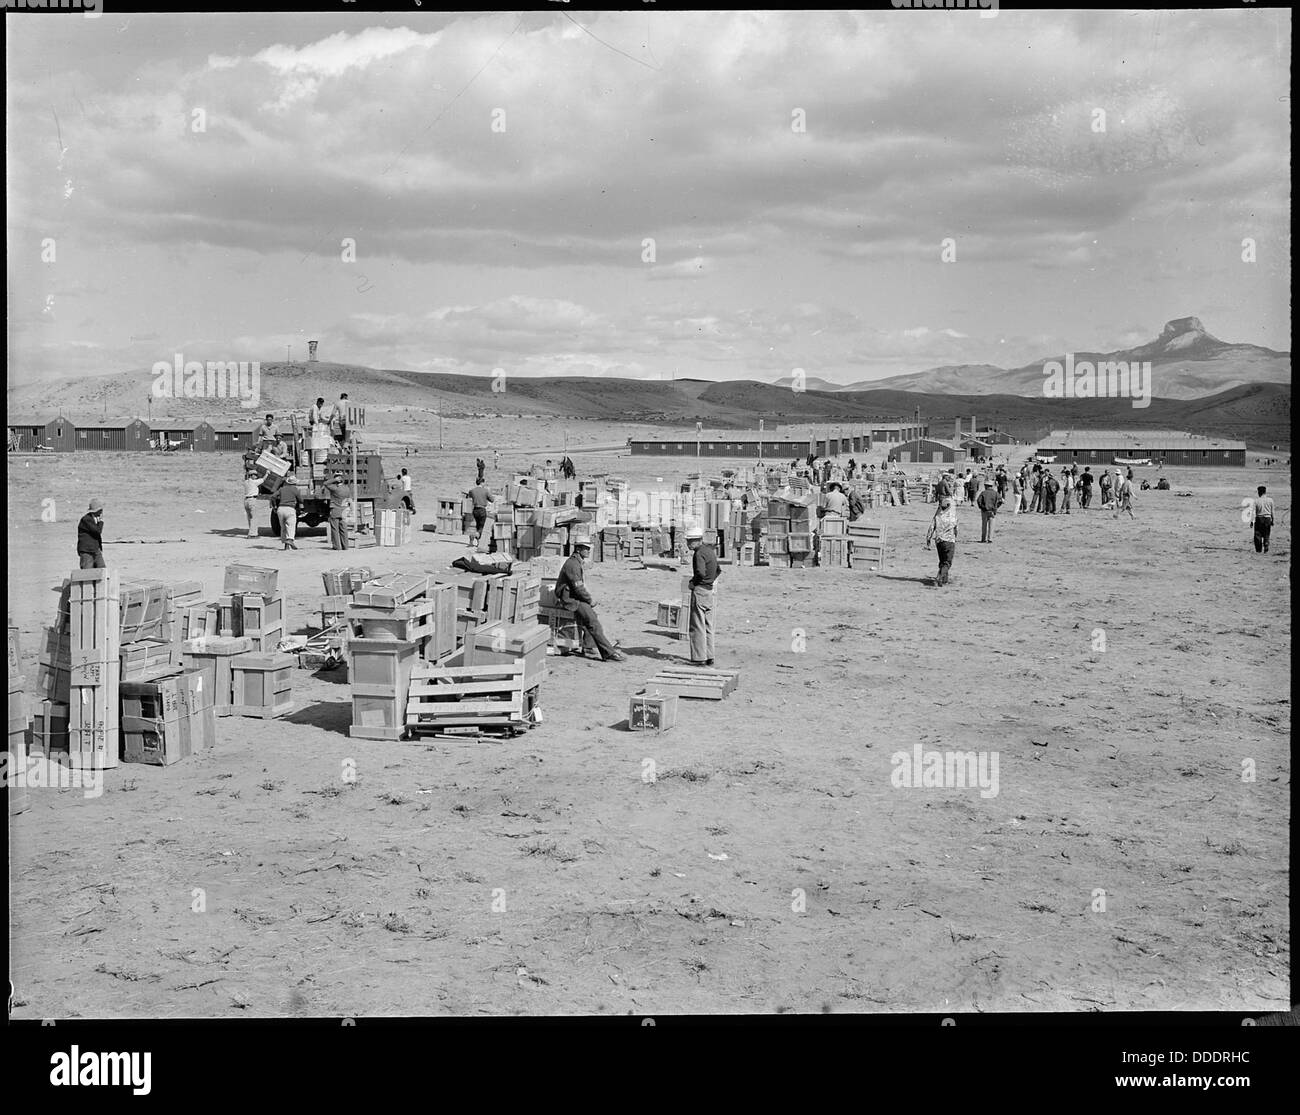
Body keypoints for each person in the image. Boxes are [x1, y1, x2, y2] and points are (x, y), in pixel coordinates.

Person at [556, 539, 625, 661]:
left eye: (588, 548)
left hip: (574, 597)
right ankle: (609, 653)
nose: (588, 551)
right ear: (578, 549)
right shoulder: (573, 565)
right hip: (570, 600)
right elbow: (578, 588)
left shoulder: (576, 562)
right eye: (586, 548)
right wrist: (590, 600)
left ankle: (589, 647)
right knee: (593, 623)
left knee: (591, 617)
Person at [685, 525, 720, 666]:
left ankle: (699, 658)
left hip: (700, 591)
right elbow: (718, 570)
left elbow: (700, 572)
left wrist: (694, 583)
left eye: (690, 541)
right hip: (709, 591)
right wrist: (709, 582)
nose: (688, 544)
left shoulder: (699, 553)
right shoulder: (710, 551)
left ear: (697, 540)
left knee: (697, 626)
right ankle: (710, 656)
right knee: (708, 626)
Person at [925, 496, 958, 587]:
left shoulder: (938, 516)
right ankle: (939, 577)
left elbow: (931, 528)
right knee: (947, 562)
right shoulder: (953, 517)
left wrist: (928, 539)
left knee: (942, 560)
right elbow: (956, 529)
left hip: (939, 541)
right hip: (949, 541)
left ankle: (944, 579)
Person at [322, 470, 350, 550]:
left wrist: (334, 479)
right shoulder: (346, 488)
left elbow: (325, 483)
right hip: (344, 510)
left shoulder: (335, 488)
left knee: (335, 529)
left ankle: (337, 546)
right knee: (343, 529)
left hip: (335, 509)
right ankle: (345, 546)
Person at [275, 471, 302, 550]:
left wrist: (274, 506)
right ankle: (290, 540)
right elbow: (300, 499)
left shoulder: (281, 489)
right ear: (294, 483)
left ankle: (286, 546)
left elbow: (273, 496)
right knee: (291, 526)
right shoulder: (295, 489)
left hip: (280, 509)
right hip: (289, 509)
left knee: (283, 527)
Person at [77, 498, 106, 569]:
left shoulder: (94, 519)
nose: (102, 512)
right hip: (87, 551)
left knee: (102, 569)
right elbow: (97, 531)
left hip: (95, 549)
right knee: (88, 573)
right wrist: (101, 522)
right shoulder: (86, 519)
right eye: (100, 510)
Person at [467, 477, 495, 544]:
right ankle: (475, 535)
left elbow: (469, 496)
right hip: (482, 509)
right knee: (482, 526)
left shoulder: (472, 490)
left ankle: (478, 541)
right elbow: (492, 500)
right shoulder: (485, 491)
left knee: (478, 525)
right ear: (482, 483)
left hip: (475, 510)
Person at [1250, 485, 1275, 553]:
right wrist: (1273, 520)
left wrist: (1252, 521)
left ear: (1259, 492)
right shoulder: (1270, 500)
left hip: (1259, 518)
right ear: (1265, 492)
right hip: (1267, 518)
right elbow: (1272, 511)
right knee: (1266, 534)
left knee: (1258, 535)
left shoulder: (1256, 501)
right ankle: (1266, 546)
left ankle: (1259, 550)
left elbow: (1253, 512)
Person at [243, 469, 262, 539]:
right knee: (254, 518)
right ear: (251, 476)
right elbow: (263, 479)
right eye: (255, 475)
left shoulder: (245, 482)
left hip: (246, 500)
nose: (256, 476)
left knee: (249, 517)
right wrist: (267, 473)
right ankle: (252, 534)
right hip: (252, 500)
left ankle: (251, 533)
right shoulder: (254, 482)